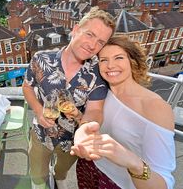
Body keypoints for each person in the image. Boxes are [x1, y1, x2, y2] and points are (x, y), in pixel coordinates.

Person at [22, 7, 115, 189]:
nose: (92, 45)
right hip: (41, 134)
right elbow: (27, 87)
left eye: (100, 42)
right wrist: (39, 111)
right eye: (89, 34)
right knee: (37, 174)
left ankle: (59, 179)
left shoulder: (98, 74)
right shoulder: (41, 58)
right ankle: (39, 182)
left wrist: (82, 121)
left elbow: (95, 111)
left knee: (62, 170)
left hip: (72, 140)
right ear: (75, 29)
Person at [71, 36, 176, 189]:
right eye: (103, 60)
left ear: (132, 61)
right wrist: (78, 117)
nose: (110, 65)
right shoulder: (101, 92)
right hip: (89, 167)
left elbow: (163, 184)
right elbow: (99, 125)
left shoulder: (156, 107)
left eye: (118, 58)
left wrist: (133, 162)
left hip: (119, 183)